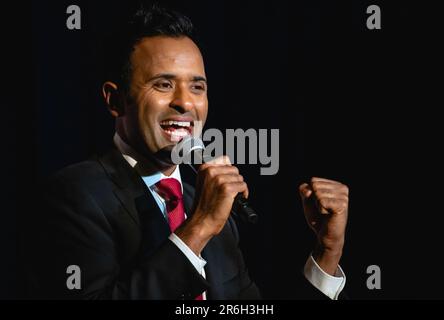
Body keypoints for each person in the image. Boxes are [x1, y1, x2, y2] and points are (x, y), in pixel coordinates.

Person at [24, 3, 349, 300]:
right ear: (115, 99)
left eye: (197, 87)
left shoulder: (205, 200)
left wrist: (327, 252)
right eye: (164, 84)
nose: (185, 102)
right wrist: (199, 227)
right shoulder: (75, 195)